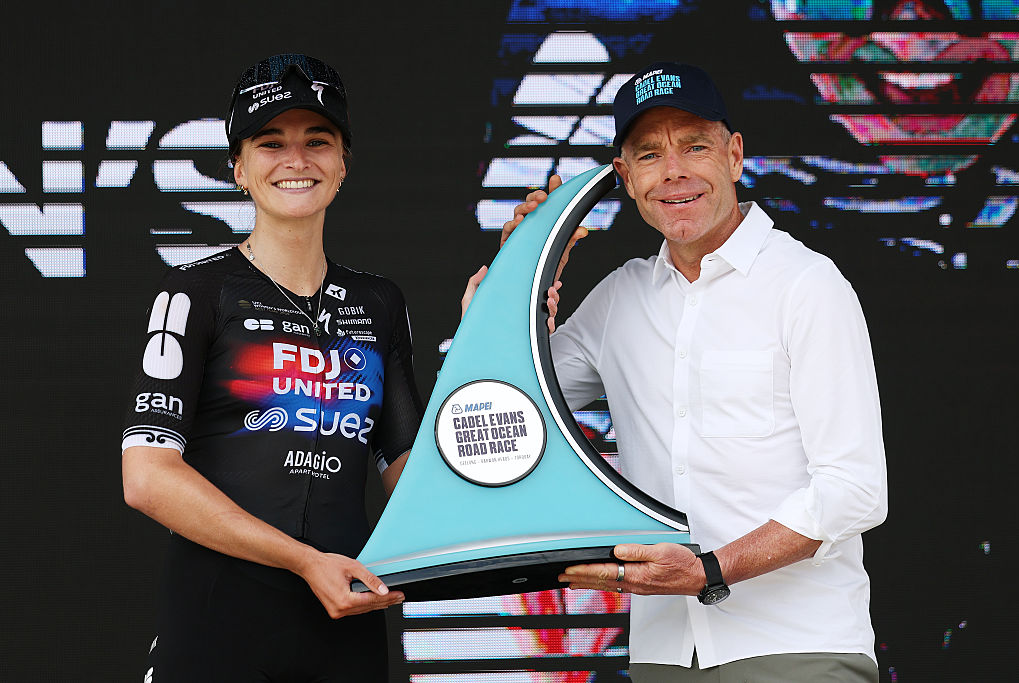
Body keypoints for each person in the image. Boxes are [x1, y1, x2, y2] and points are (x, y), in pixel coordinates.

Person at [467, 62, 887, 682]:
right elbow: (505, 412)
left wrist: (708, 571)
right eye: (649, 154)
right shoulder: (620, 298)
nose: (674, 172)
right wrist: (519, 282)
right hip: (665, 656)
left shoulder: (806, 285)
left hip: (798, 646)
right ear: (625, 178)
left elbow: (854, 489)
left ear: (735, 155)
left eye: (695, 146)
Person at [121, 53, 423, 681]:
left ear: (343, 164)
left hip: (346, 618)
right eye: (270, 143)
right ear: (238, 169)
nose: (296, 159)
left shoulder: (380, 302)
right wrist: (304, 560)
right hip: (217, 619)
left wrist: (495, 323)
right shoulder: (195, 293)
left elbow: (410, 478)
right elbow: (146, 477)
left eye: (318, 140)